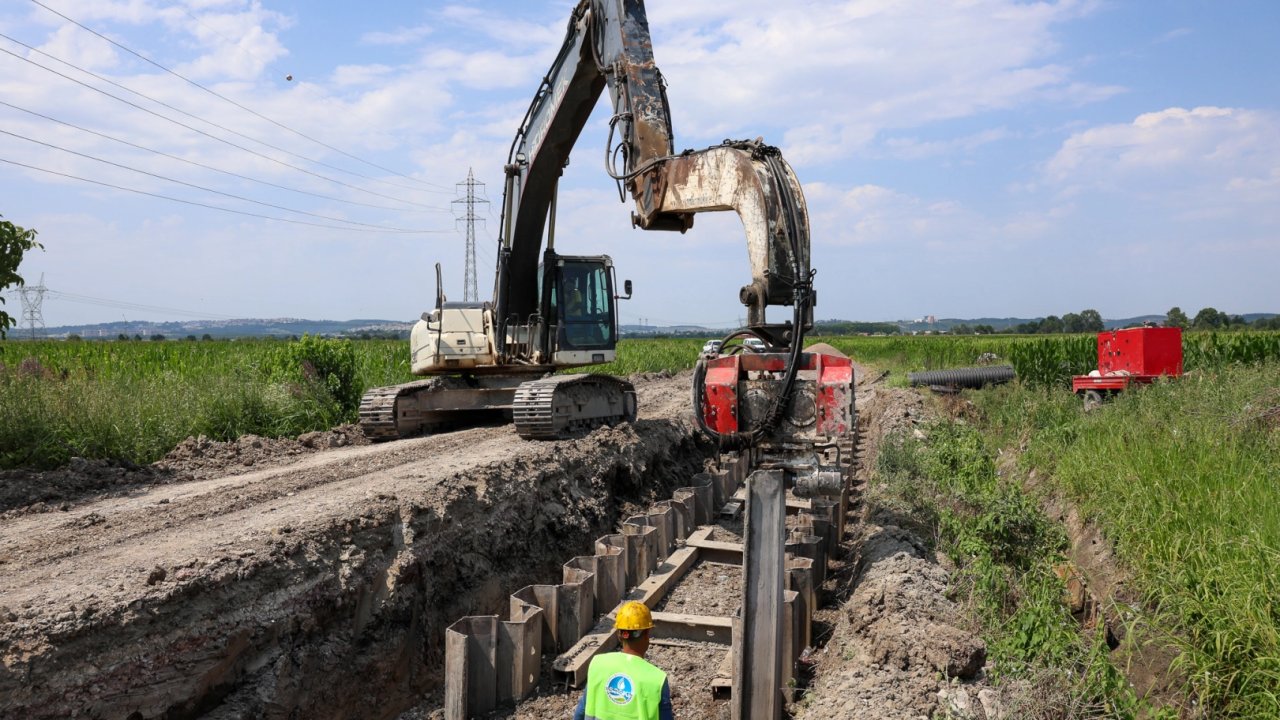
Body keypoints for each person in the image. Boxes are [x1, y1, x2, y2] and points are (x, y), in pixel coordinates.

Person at [572, 601, 674, 720]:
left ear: (619, 635)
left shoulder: (598, 664)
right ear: (647, 634)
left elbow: (581, 711)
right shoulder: (657, 679)